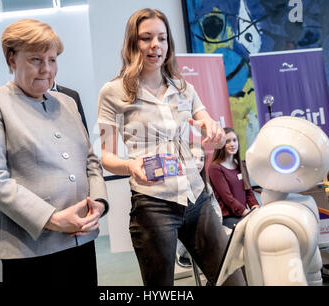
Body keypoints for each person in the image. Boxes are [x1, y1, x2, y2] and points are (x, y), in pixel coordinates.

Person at [98, 8, 245, 286]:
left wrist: (213, 134)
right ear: (133, 43)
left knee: (232, 280)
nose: (156, 45)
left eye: (162, 38)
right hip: (153, 205)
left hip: (196, 197)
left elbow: (207, 123)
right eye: (146, 38)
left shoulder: (182, 86)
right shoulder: (113, 92)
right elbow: (106, 156)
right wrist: (130, 165)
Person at [0, 19, 108, 287]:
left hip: (79, 240)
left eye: (52, 60)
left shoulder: (67, 102)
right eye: (35, 59)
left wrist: (98, 202)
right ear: (11, 59)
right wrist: (52, 219)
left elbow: (90, 161)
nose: (46, 69)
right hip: (22, 251)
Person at [208, 127, 260, 229]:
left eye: (234, 140)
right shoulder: (215, 168)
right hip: (228, 217)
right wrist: (246, 213)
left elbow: (248, 191)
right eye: (228, 141)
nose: (232, 144)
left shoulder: (241, 165)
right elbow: (228, 198)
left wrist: (255, 207)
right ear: (221, 145)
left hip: (243, 214)